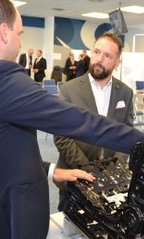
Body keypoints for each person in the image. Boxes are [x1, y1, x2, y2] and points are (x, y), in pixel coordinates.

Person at [0, 0, 144, 239]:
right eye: (19, 33)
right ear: (4, 32)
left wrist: (50, 170)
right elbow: (79, 121)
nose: (20, 42)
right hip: (3, 222)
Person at [54, 32, 134, 212]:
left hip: (111, 180)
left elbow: (127, 132)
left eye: (107, 56)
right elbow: (61, 136)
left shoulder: (125, 93)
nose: (99, 59)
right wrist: (88, 169)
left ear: (116, 63)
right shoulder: (69, 90)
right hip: (74, 178)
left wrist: (114, 169)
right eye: (96, 52)